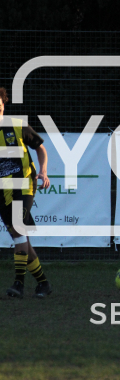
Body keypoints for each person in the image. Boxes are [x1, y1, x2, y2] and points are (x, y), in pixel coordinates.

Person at [0, 87, 52, 299]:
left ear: (3, 105)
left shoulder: (17, 125)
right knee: (19, 236)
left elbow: (40, 148)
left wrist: (43, 171)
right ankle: (43, 284)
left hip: (24, 185)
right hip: (2, 191)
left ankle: (18, 284)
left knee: (18, 228)